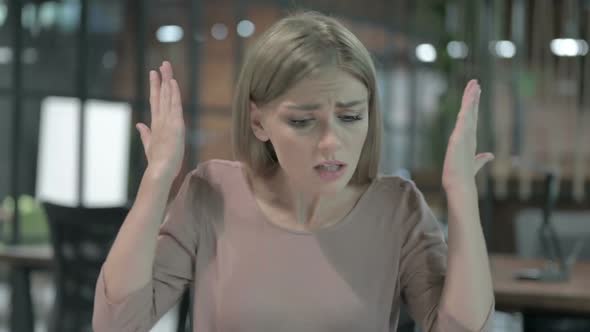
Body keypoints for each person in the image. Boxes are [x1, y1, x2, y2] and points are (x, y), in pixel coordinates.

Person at [92, 11, 495, 332]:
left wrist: (461, 195)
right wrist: (157, 178)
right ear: (258, 122)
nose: (330, 143)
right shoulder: (211, 193)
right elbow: (116, 324)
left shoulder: (398, 209)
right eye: (302, 122)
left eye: (351, 116)